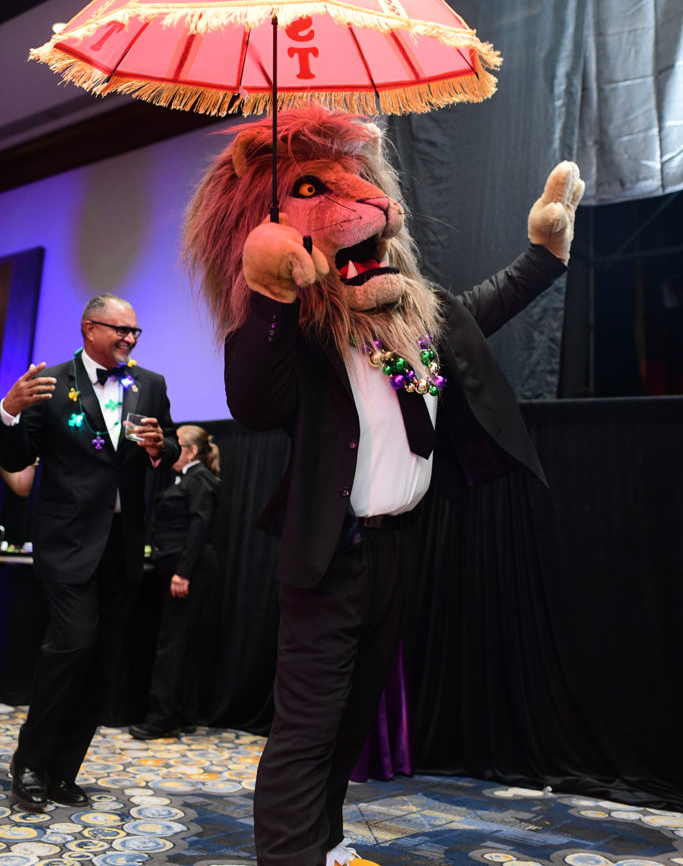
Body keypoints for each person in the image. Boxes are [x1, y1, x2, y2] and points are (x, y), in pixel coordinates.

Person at [182, 107, 584, 866]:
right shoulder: (301, 332)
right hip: (331, 554)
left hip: (400, 548)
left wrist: (544, 253)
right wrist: (269, 295)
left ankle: (323, 842)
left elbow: (481, 307)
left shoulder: (409, 320)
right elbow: (254, 404)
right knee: (307, 728)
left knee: (350, 717)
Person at [0, 293, 179, 811]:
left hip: (123, 547)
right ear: (88, 328)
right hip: (67, 541)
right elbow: (15, 457)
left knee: (103, 663)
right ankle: (29, 763)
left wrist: (157, 447)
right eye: (119, 329)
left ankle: (62, 770)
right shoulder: (53, 384)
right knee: (72, 646)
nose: (129, 339)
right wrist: (8, 413)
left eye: (134, 332)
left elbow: (166, 448)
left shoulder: (151, 385)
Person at [129, 424, 220, 740]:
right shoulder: (187, 478)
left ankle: (161, 718)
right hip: (181, 566)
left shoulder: (201, 479)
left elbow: (199, 526)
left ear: (192, 451)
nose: (169, 447)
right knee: (181, 641)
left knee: (173, 642)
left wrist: (183, 572)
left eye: (176, 443)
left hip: (188, 569)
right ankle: (183, 713)